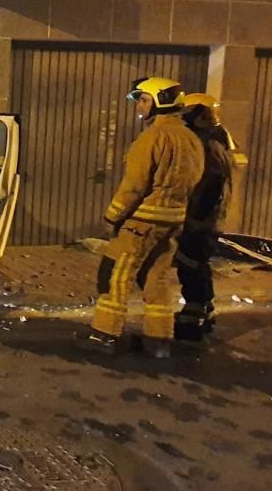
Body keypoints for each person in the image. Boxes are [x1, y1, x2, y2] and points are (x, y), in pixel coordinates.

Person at [79, 77, 204, 359]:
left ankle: (104, 335)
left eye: (144, 100)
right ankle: (159, 341)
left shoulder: (152, 138)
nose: (140, 107)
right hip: (173, 221)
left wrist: (112, 216)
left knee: (116, 275)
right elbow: (195, 180)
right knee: (157, 278)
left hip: (141, 221)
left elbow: (134, 185)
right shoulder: (191, 139)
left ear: (160, 102)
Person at [173, 93, 236, 341]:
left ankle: (194, 317)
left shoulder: (208, 143)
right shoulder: (214, 139)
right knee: (197, 263)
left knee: (191, 264)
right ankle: (203, 312)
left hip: (202, 221)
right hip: (205, 219)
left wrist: (195, 219)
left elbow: (212, 183)